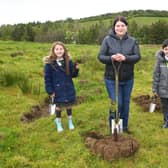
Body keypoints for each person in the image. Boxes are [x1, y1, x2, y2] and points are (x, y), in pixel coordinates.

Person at [98, 16, 141, 133]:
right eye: (118, 25)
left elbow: (137, 56)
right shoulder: (107, 40)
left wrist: (125, 58)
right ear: (114, 27)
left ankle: (124, 127)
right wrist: (111, 58)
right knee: (117, 103)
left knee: (125, 104)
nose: (120, 28)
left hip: (128, 79)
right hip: (111, 78)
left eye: (122, 25)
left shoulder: (133, 41)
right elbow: (101, 57)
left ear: (126, 27)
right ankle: (114, 128)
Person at [43, 41, 79, 132]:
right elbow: (47, 79)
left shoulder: (68, 61)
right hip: (57, 89)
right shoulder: (49, 64)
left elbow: (72, 75)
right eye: (57, 49)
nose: (59, 51)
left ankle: (70, 122)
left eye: (61, 49)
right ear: (53, 50)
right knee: (59, 107)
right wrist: (50, 91)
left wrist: (76, 69)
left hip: (68, 87)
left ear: (64, 50)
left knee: (69, 106)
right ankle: (58, 123)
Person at [152, 39, 168, 128]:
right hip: (163, 89)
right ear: (162, 50)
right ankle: (166, 122)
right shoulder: (159, 61)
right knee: (165, 107)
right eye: (166, 49)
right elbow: (156, 75)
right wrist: (154, 89)